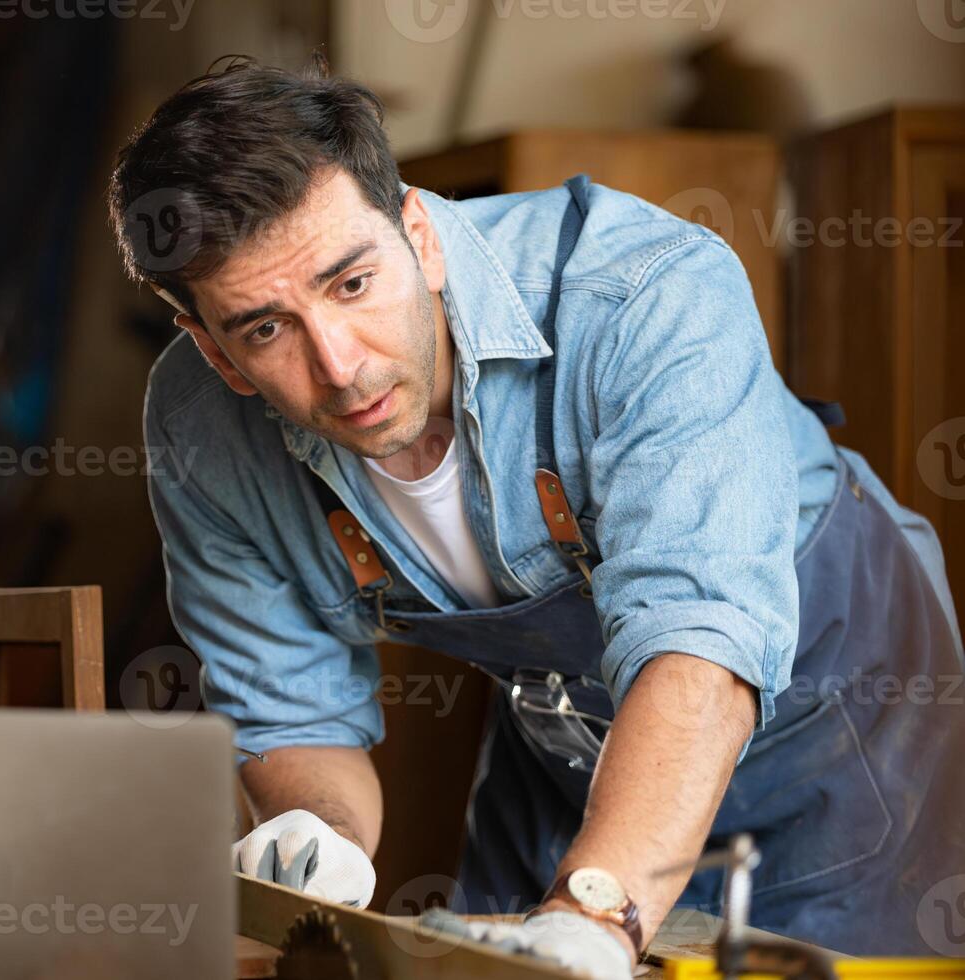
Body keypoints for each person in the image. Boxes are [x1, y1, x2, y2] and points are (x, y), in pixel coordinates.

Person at [108, 57, 965, 975]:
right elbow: (294, 710)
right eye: (266, 329)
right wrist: (323, 837)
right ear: (214, 350)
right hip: (562, 740)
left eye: (351, 284)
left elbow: (699, 647)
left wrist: (593, 912)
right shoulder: (202, 425)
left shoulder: (644, 296)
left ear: (420, 236)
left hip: (837, 718)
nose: (341, 364)